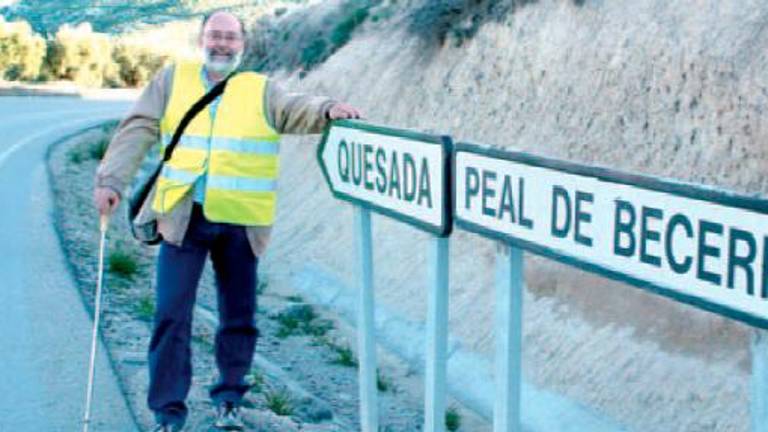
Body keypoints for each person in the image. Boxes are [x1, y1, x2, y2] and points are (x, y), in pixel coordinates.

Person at [93, 10, 361, 432]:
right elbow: (137, 127)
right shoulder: (172, 80)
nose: (221, 44)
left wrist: (328, 110)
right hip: (182, 217)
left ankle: (229, 398)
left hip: (240, 222)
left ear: (242, 44)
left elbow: (295, 110)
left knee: (239, 316)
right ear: (202, 40)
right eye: (214, 36)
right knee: (170, 313)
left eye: (230, 38)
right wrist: (111, 180)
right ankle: (168, 411)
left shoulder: (260, 89)